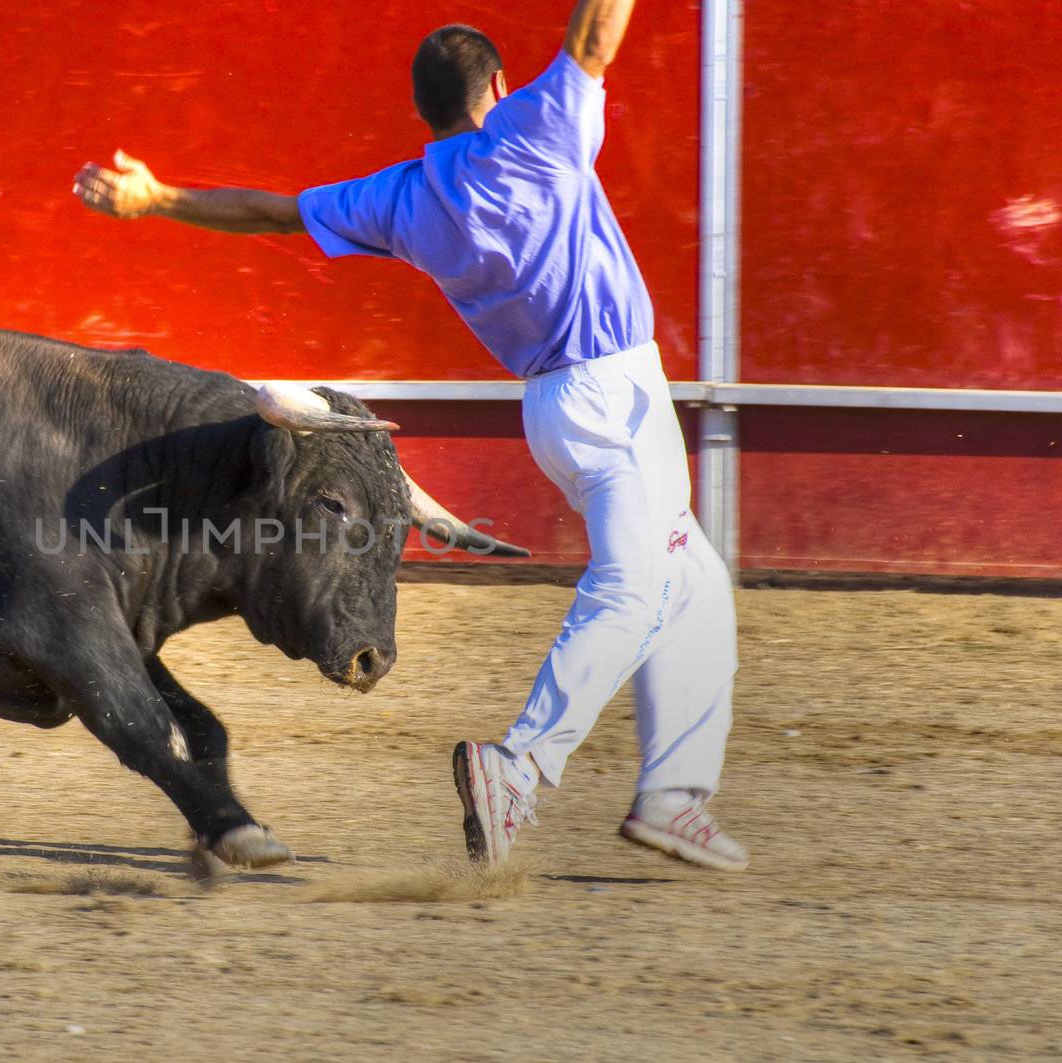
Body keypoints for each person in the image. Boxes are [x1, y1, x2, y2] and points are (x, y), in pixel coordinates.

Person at [72, 0, 747, 871]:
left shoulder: (406, 195)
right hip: (614, 394)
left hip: (552, 408)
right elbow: (594, 37)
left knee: (692, 579)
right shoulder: (536, 132)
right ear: (499, 88)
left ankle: (673, 795)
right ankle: (521, 764)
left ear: (426, 112)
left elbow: (275, 214)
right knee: (636, 585)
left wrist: (158, 197)